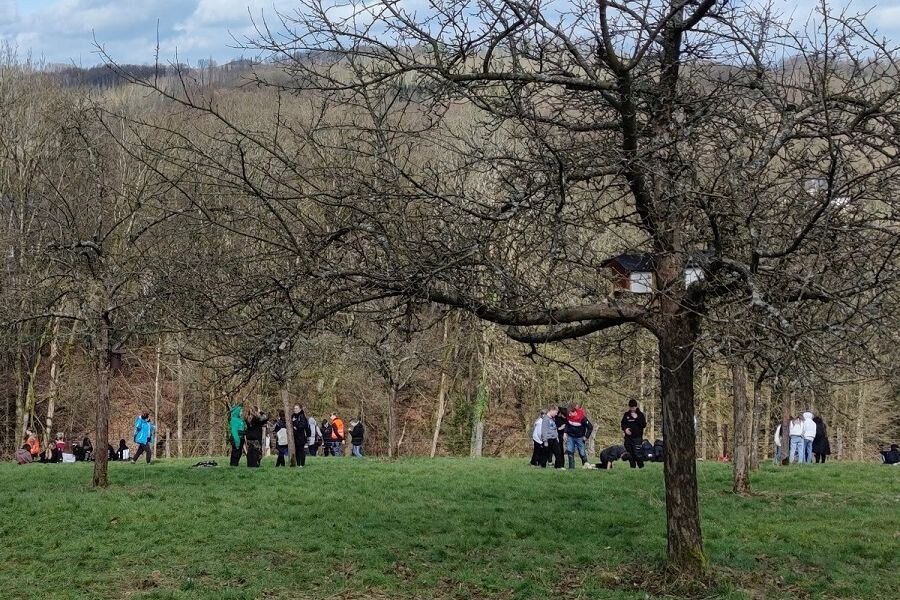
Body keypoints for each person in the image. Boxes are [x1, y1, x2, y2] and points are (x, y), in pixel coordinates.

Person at [621, 399, 647, 469]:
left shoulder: (640, 414)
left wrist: (636, 418)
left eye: (633, 407)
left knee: (637, 454)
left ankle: (641, 468)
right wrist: (625, 429)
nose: (632, 409)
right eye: (631, 407)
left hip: (637, 438)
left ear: (636, 407)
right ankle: (632, 468)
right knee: (630, 454)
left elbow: (643, 425)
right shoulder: (626, 414)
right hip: (628, 438)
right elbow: (623, 424)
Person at [565, 402, 590, 469]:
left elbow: (590, 427)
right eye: (568, 413)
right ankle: (571, 468)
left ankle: (586, 465)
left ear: (574, 412)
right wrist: (565, 432)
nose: (569, 415)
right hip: (570, 436)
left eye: (570, 413)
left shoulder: (582, 418)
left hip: (580, 437)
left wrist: (586, 436)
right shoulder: (568, 416)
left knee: (582, 452)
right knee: (570, 451)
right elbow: (567, 425)